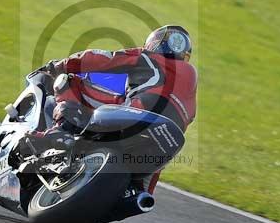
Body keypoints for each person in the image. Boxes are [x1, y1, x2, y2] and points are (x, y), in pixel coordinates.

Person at [16, 25, 197, 194]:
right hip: (164, 142)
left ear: (155, 43)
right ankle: (128, 192)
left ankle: (60, 132)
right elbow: (164, 146)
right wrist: (145, 192)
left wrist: (58, 67)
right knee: (139, 190)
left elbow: (102, 59)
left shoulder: (148, 57)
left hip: (138, 113)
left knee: (67, 81)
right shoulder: (190, 95)